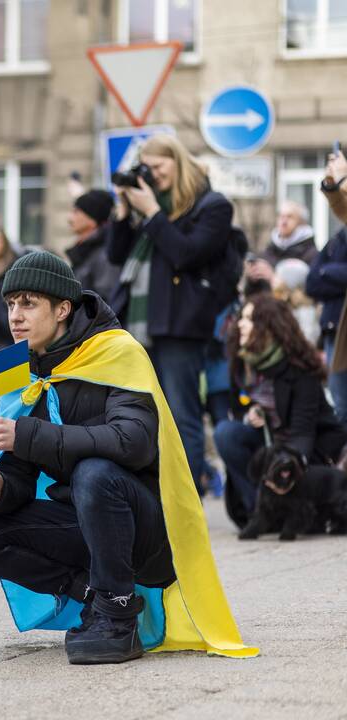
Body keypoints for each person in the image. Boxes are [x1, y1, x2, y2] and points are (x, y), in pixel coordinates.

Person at [0, 252, 255, 664]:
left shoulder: (116, 351)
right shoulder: (21, 373)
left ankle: (117, 613)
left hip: (144, 528)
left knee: (94, 473)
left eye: (28, 303)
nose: (15, 316)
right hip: (77, 522)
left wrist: (27, 433)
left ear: (62, 309)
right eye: (10, 304)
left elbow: (134, 442)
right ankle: (88, 593)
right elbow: (20, 473)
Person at [106, 134, 234, 494]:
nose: (153, 175)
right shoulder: (149, 210)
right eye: (148, 168)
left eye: (159, 167)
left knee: (181, 416)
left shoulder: (211, 206)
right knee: (142, 416)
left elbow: (187, 254)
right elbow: (116, 256)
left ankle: (186, 498)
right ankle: (152, 497)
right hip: (139, 326)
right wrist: (123, 209)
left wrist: (151, 213)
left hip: (180, 325)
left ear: (179, 163)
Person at [213, 293, 347, 526]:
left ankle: (286, 509)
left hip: (309, 448)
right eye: (242, 318)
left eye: (250, 319)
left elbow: (303, 433)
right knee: (226, 433)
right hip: (269, 444)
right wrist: (250, 413)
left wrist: (283, 465)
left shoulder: (300, 370)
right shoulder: (242, 363)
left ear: (269, 326)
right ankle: (259, 510)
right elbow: (237, 410)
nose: (240, 324)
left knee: (280, 455)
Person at [306, 227, 347, 423]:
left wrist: (328, 271)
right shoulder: (337, 239)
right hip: (333, 331)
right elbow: (311, 282)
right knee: (340, 404)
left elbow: (319, 274)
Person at [65, 190, 120, 300]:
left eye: (76, 212)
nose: (70, 219)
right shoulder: (84, 252)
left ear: (92, 219)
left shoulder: (105, 255)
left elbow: (105, 303)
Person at [261, 201, 317, 266]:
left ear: (302, 222)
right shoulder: (269, 251)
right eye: (281, 216)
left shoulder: (311, 254)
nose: (284, 221)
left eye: (290, 217)